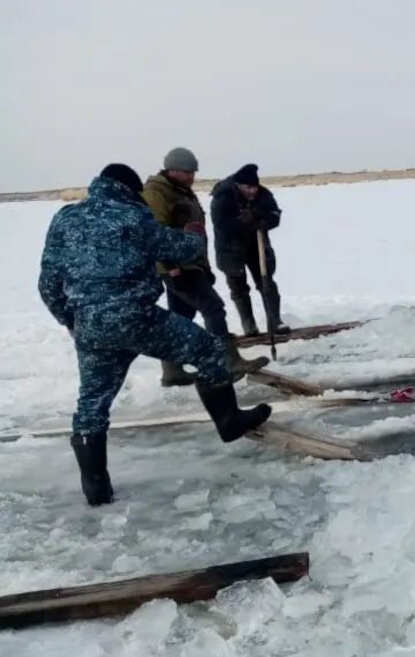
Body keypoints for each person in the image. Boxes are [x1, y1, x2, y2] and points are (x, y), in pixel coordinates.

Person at [37, 163, 273, 507]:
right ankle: (229, 421)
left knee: (91, 404)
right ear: (127, 191)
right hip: (137, 319)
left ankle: (96, 487)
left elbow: (47, 284)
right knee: (208, 349)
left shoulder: (65, 219)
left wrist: (71, 321)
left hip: (90, 327)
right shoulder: (132, 217)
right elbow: (181, 250)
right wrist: (195, 231)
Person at [142, 147, 268, 385]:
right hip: (179, 265)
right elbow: (155, 232)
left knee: (181, 317)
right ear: (172, 170)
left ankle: (172, 370)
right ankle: (226, 361)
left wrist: (203, 266)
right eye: (186, 172)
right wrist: (171, 266)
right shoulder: (156, 193)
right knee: (213, 308)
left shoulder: (181, 191)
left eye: (193, 172)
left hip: (191, 263)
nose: (191, 177)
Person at [210, 163, 291, 337]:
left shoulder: (263, 194)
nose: (253, 191)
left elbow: (274, 214)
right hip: (230, 249)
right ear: (238, 185)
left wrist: (263, 221)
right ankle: (249, 325)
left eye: (255, 187)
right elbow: (222, 225)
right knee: (238, 287)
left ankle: (275, 321)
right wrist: (243, 222)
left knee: (266, 282)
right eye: (248, 188)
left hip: (257, 245)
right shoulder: (223, 196)